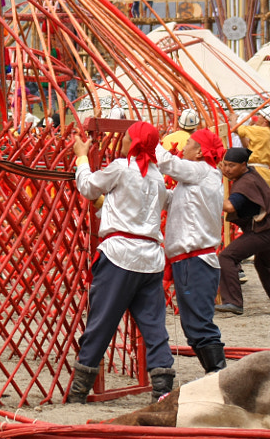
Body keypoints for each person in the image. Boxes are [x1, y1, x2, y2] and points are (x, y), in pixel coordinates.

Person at [68, 122, 174, 403]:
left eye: (126, 137)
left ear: (134, 142)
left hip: (119, 256)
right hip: (150, 259)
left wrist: (81, 157)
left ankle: (78, 391)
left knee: (101, 321)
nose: (122, 141)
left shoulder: (121, 167)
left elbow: (88, 188)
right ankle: (163, 389)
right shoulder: (157, 177)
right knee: (154, 325)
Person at [155, 129, 227, 373]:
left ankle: (218, 376)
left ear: (199, 152)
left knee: (199, 325)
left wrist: (149, 140)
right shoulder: (199, 178)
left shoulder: (201, 170)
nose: (183, 147)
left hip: (194, 261)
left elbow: (167, 162)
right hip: (190, 261)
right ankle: (215, 375)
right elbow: (170, 199)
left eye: (189, 144)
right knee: (193, 325)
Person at [216, 147, 270, 316]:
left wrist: (206, 196)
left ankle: (233, 302)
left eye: (231, 165)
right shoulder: (250, 174)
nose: (227, 169)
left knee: (226, 257)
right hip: (265, 229)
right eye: (225, 165)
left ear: (243, 164)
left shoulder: (246, 183)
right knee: (263, 263)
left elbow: (230, 206)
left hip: (263, 230)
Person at [235, 108, 270, 185]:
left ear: (265, 121)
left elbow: (236, 128)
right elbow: (247, 145)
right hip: (265, 172)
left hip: (257, 171)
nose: (258, 116)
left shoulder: (261, 131)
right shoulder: (265, 132)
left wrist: (233, 118)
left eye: (260, 115)